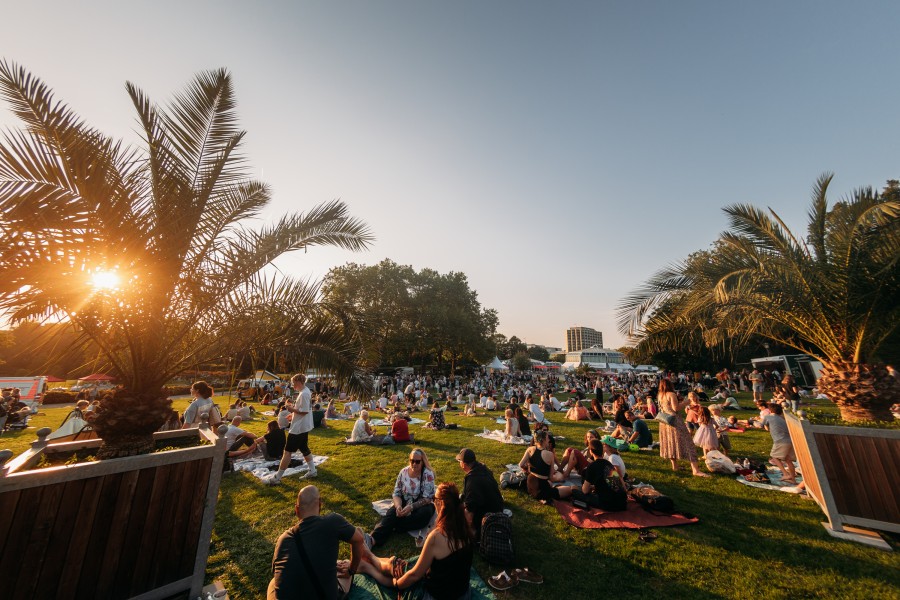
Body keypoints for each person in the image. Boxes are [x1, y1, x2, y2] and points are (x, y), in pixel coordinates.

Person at [360, 483, 474, 600]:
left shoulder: (437, 537)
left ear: (440, 503)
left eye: (434, 499)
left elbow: (415, 575)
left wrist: (397, 584)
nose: (433, 502)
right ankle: (369, 559)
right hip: (462, 594)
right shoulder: (467, 527)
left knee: (397, 567)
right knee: (401, 569)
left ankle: (368, 561)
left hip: (434, 595)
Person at [267, 485, 367, 600]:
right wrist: (351, 570)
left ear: (296, 510)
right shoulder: (333, 522)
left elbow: (279, 573)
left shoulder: (283, 539)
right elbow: (359, 540)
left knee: (272, 583)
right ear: (320, 504)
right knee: (343, 564)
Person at [367, 448, 436, 548]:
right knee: (392, 512)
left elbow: (428, 499)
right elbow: (396, 493)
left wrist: (411, 507)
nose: (414, 464)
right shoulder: (403, 472)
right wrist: (398, 505)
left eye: (417, 461)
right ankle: (372, 540)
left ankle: (393, 525)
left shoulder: (427, 474)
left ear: (423, 462)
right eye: (412, 461)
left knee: (424, 515)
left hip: (422, 503)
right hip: (405, 500)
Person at [657, 379, 709, 477]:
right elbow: (676, 408)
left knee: (670, 443)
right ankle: (695, 470)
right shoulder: (671, 394)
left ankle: (675, 466)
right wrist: (686, 402)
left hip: (664, 422)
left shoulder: (660, 395)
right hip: (675, 421)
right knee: (688, 443)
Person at [271, 373, 317, 484]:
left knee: (287, 452)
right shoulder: (304, 392)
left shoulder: (304, 394)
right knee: (304, 448)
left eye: (293, 383)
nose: (292, 385)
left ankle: (277, 478)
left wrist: (290, 409)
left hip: (298, 428)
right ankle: (313, 471)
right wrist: (293, 415)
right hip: (302, 426)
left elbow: (305, 411)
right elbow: (303, 410)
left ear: (299, 381)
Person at [456, 448, 503, 537]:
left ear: (463, 464)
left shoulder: (472, 480)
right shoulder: (483, 469)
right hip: (498, 509)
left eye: (459, 461)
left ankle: (474, 533)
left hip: (488, 518)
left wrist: (469, 530)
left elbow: (470, 511)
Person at [570, 439, 627, 511]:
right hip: (622, 502)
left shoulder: (592, 466)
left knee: (574, 489)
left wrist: (576, 489)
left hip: (609, 504)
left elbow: (585, 491)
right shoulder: (608, 464)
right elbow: (613, 482)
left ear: (591, 451)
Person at [518, 430, 573, 503]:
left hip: (530, 484)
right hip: (542, 491)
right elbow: (551, 477)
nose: (549, 440)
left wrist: (529, 469)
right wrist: (559, 478)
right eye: (547, 438)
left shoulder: (530, 449)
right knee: (570, 489)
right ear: (543, 440)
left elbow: (520, 464)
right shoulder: (550, 454)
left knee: (549, 483)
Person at [763, 402, 797, 484]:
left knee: (774, 457)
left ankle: (785, 474)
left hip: (780, 441)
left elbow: (764, 426)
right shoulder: (782, 419)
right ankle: (793, 479)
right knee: (788, 460)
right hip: (790, 441)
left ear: (770, 411)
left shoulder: (768, 417)